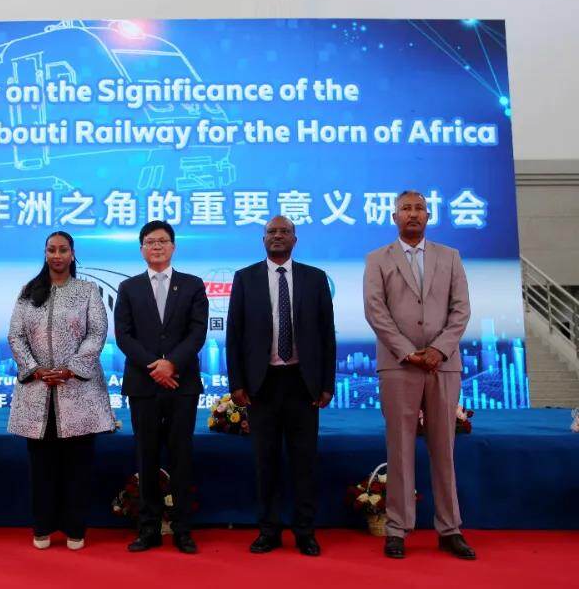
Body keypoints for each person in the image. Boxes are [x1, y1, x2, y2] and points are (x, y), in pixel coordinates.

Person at [363, 190, 475, 560]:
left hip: (444, 364)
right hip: (399, 365)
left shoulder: (450, 256)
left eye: (419, 208)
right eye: (406, 208)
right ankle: (397, 529)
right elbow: (375, 311)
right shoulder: (377, 259)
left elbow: (461, 309)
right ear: (394, 216)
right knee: (399, 449)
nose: (413, 214)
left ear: (428, 216)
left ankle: (450, 528)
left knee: (444, 449)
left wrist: (439, 349)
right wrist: (408, 351)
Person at [226, 216, 336, 556]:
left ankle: (305, 532)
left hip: (303, 382)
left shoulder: (315, 278)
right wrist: (237, 383)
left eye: (284, 231)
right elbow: (235, 334)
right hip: (262, 384)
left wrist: (326, 384)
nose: (277, 236)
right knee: (266, 462)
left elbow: (326, 335)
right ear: (263, 240)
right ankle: (268, 530)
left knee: (304, 462)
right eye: (271, 232)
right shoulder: (245, 278)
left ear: (295, 239)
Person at [7, 231, 115, 550]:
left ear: (72, 253)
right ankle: (42, 527)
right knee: (41, 468)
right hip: (37, 392)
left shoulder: (87, 290)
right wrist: (36, 369)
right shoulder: (29, 291)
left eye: (63, 250)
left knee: (78, 467)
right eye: (51, 250)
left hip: (78, 392)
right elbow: (15, 336)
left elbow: (97, 333)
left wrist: (71, 369)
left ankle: (75, 528)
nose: (57, 255)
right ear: (45, 253)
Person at [114, 220, 208, 554]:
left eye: (163, 241)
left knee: (181, 456)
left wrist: (172, 364)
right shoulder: (129, 287)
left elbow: (197, 332)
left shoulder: (193, 285)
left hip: (182, 384)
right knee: (147, 457)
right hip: (143, 384)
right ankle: (149, 528)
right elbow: (123, 335)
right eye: (150, 241)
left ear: (173, 247)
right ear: (141, 249)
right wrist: (155, 366)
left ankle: (182, 530)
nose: (157, 246)